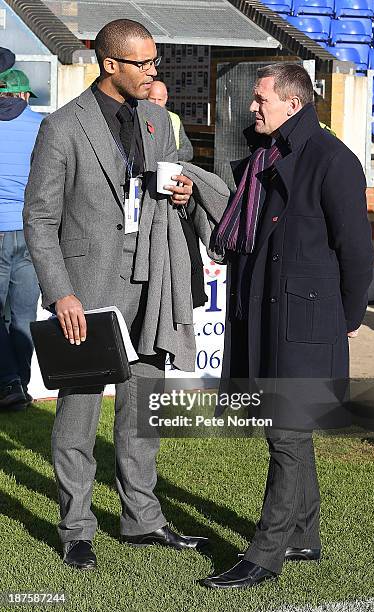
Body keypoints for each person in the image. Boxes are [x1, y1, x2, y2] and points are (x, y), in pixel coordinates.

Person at [23, 18, 229, 571]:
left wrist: (184, 195)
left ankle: (142, 519)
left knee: (142, 412)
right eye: (143, 63)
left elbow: (169, 189)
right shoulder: (62, 127)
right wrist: (60, 292)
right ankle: (77, 528)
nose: (153, 72)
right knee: (79, 415)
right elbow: (39, 220)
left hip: (154, 283)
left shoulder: (160, 119)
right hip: (87, 291)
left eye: (155, 61)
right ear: (109, 64)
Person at [203, 63, 374, 589]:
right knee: (288, 434)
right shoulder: (266, 155)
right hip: (266, 316)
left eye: (261, 99)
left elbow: (359, 253)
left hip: (308, 324)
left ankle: (264, 553)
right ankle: (304, 533)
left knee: (285, 436)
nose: (253, 107)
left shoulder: (331, 160)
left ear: (293, 104)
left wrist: (345, 320)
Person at [0, 67, 42, 409]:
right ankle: (21, 387)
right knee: (24, 314)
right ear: (24, 95)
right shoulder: (42, 125)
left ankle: (8, 382)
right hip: (31, 232)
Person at [148, 80, 193, 161]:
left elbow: (188, 152)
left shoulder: (174, 118)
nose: (156, 103)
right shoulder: (140, 116)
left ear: (166, 99)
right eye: (152, 99)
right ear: (146, 98)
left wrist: (168, 157)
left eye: (160, 99)